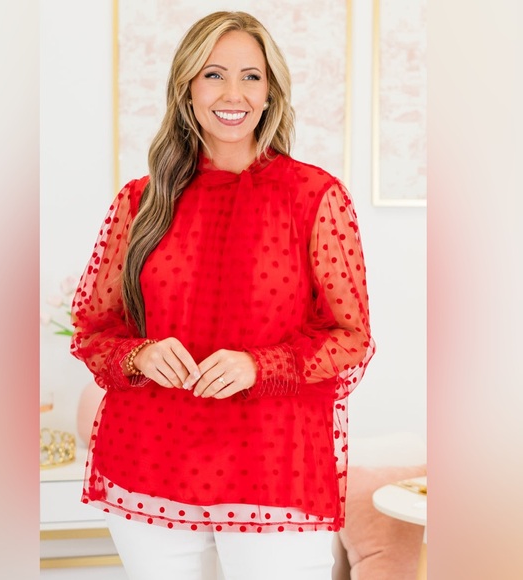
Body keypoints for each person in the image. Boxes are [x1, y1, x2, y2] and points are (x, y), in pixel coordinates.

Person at [71, 10, 375, 580]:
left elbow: (351, 337)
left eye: (250, 76)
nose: (233, 93)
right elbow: (93, 330)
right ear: (186, 87)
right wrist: (140, 355)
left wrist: (260, 366)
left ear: (270, 91)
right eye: (213, 74)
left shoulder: (314, 196)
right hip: (151, 457)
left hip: (273, 462)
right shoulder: (140, 201)